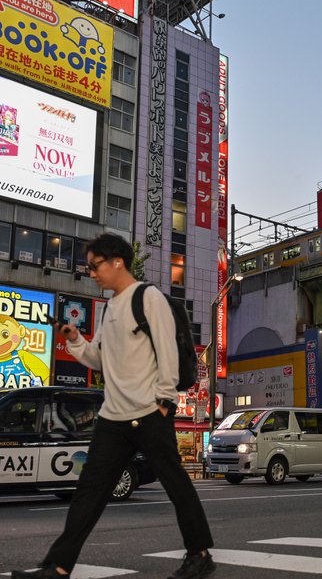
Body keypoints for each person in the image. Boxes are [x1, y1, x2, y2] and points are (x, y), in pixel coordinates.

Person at [12, 234, 215, 579]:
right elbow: (99, 359)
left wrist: (164, 402)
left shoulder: (147, 298)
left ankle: (199, 554)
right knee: (88, 493)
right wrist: (75, 340)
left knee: (175, 483)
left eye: (95, 265)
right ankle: (57, 567)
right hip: (112, 418)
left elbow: (167, 351)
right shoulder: (108, 308)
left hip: (149, 414)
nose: (91, 273)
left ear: (116, 261)